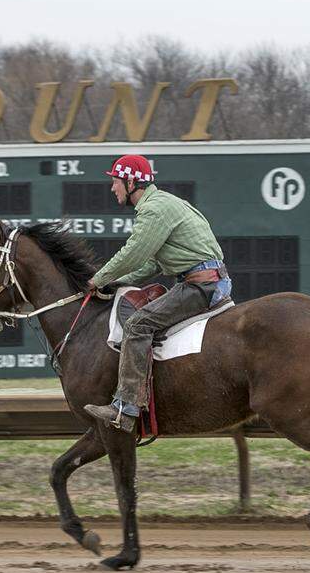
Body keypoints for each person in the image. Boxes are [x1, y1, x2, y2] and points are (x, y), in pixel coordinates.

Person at [82, 154, 232, 432]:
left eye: (115, 181)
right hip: (205, 280)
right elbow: (149, 264)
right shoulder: (164, 203)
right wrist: (115, 283)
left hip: (201, 285)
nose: (112, 188)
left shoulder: (154, 210)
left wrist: (98, 278)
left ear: (130, 182)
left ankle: (125, 409)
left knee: (138, 325)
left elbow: (133, 253)